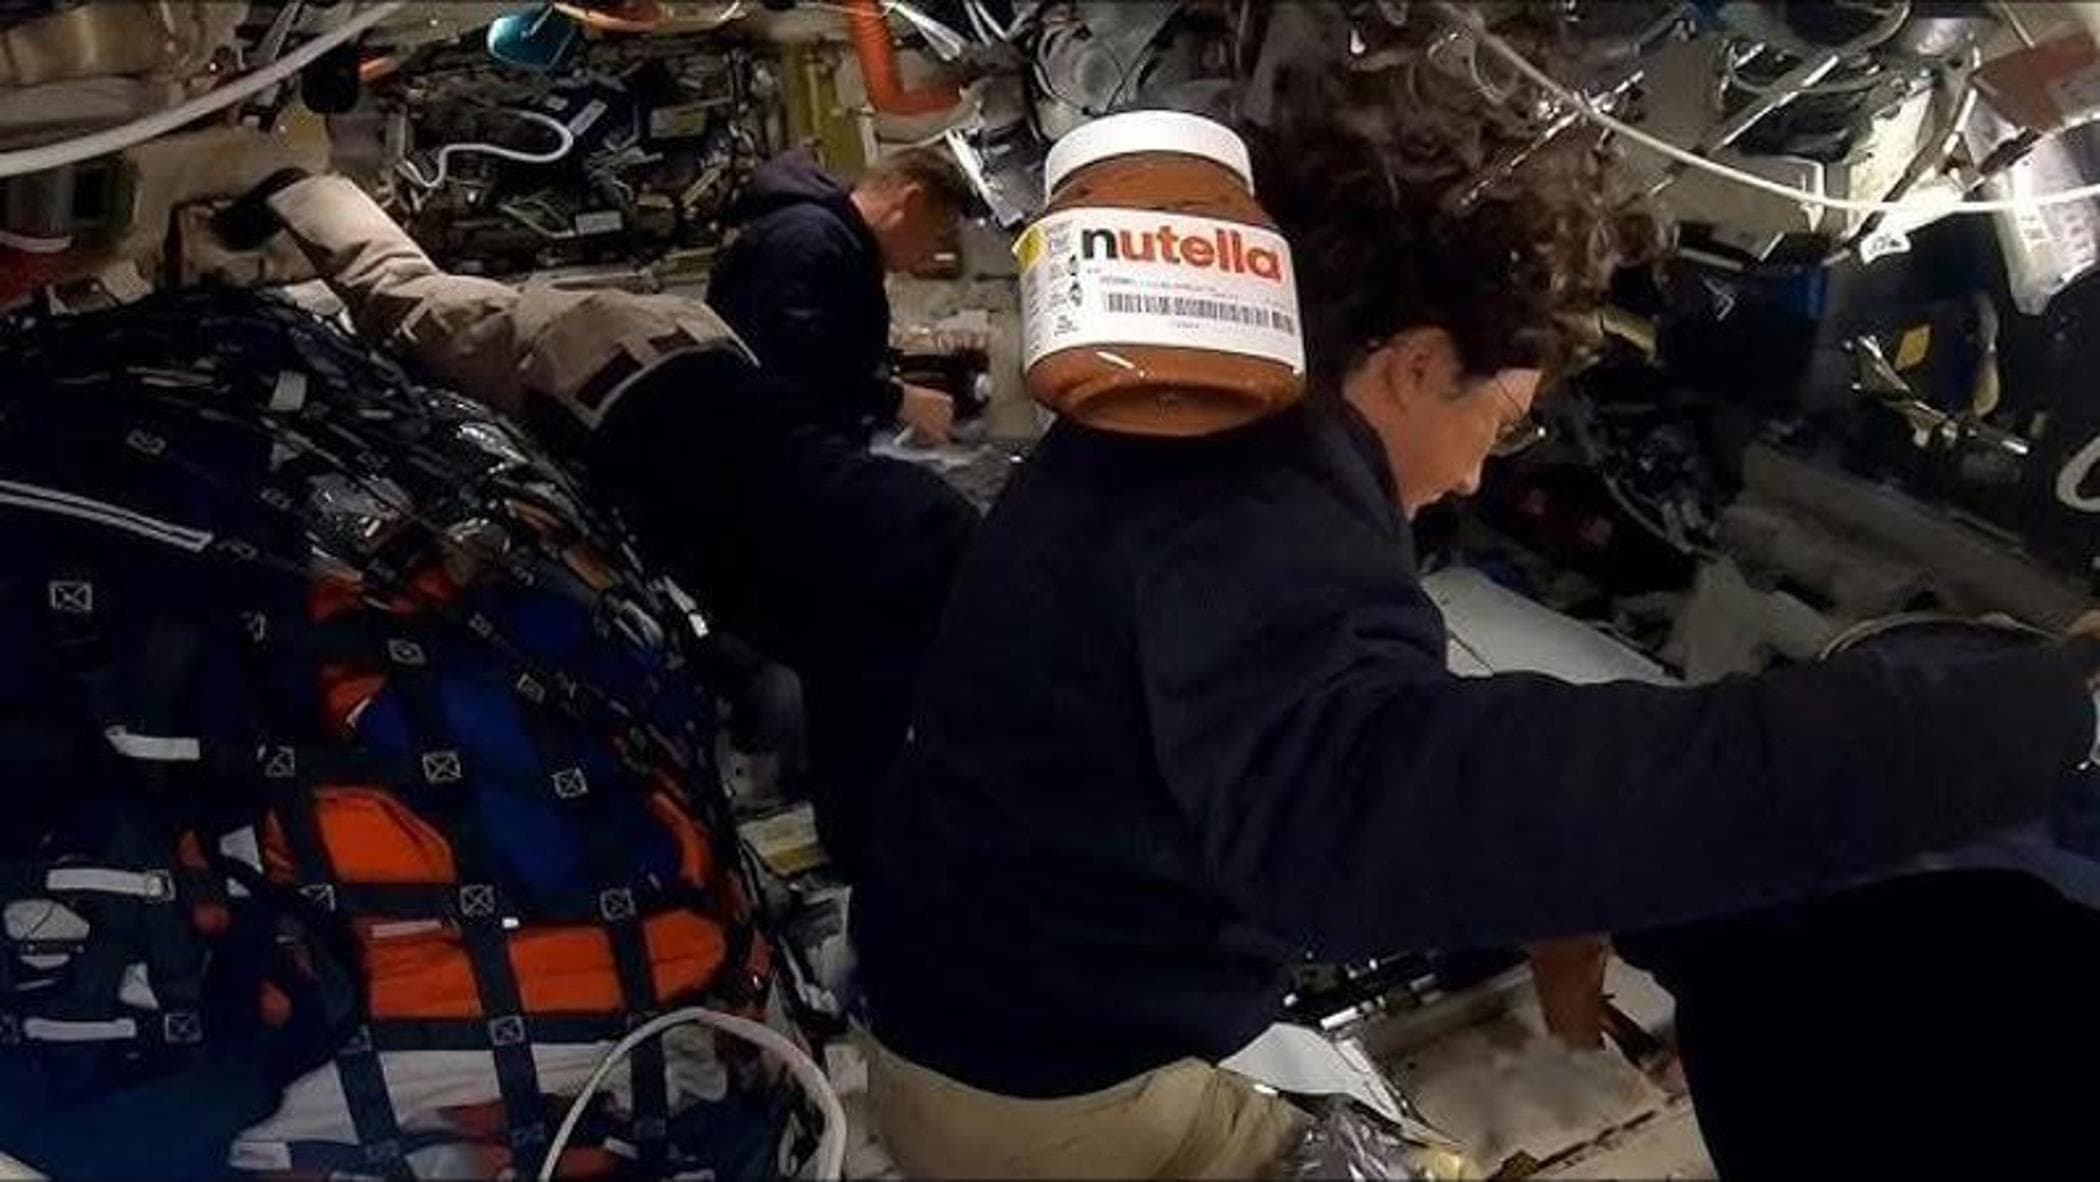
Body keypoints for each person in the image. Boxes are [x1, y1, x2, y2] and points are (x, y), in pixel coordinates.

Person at [849, 106, 2100, 1176]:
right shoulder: (1252, 512)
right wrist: (2034, 717)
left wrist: (1564, 889)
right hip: (1043, 1092)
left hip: (980, 1003)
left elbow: (1350, 749)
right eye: (1501, 425)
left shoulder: (1190, 431)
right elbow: (1372, 819)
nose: (1469, 480)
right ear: (1413, 363)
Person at [183, 135, 976, 877]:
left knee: (414, 338)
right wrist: (875, 866)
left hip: (664, 359)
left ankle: (265, 270)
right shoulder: (891, 602)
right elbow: (859, 753)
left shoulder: (925, 535)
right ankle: (299, 188)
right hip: (604, 374)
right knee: (405, 300)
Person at [707, 146, 972, 443]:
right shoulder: (809, 240)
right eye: (937, 237)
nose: (932, 253)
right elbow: (798, 369)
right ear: (912, 202)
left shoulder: (841, 245)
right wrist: (897, 401)